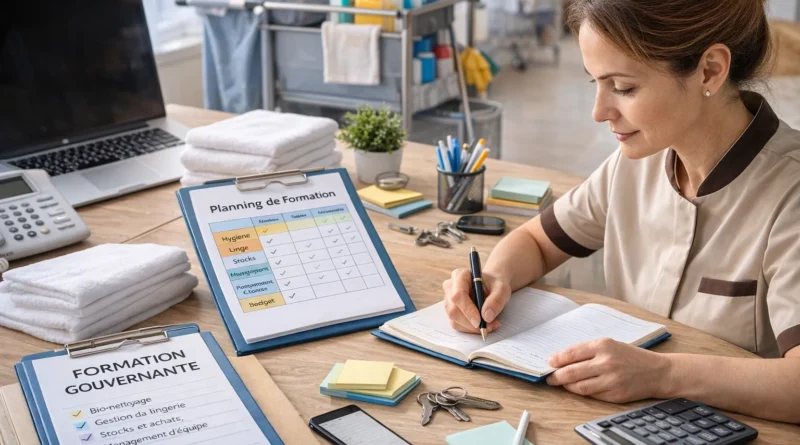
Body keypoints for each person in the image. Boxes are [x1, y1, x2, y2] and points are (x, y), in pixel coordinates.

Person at [443, 0, 800, 423]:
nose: (599, 112)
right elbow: (538, 242)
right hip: (623, 423)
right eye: (595, 82)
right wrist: (496, 278)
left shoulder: (789, 193)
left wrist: (663, 374)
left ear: (709, 71)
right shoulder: (636, 161)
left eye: (624, 88)